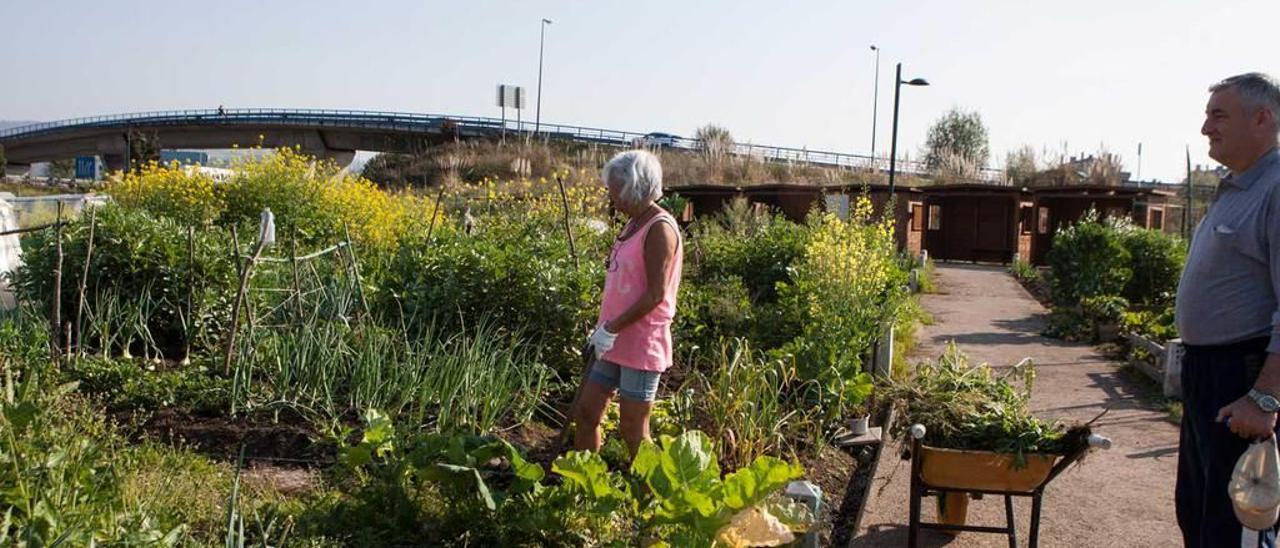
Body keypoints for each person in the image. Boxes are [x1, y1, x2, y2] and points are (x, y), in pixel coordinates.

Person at [1175, 72, 1280, 547]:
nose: (1205, 128)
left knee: (1233, 524)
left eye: (1219, 114)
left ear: (1264, 118)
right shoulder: (1238, 187)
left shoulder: (1276, 189)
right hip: (1210, 378)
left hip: (1243, 378)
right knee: (1199, 513)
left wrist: (1264, 398)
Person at [573, 149, 683, 456]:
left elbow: (656, 294)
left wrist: (611, 328)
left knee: (633, 431)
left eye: (616, 189)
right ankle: (582, 488)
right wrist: (604, 330)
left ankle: (648, 499)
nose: (612, 196)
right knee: (587, 413)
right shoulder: (632, 223)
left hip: (640, 343)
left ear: (635, 187)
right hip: (612, 340)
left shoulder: (659, 228)